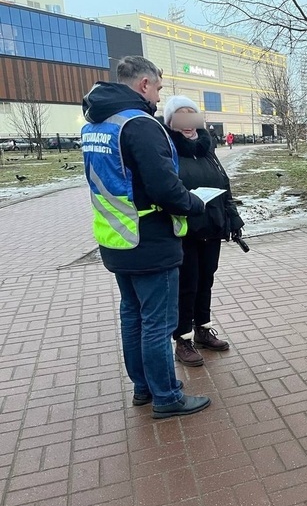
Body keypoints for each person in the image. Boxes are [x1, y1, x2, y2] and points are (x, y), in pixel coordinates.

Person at [81, 56, 211, 419]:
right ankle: (167, 396)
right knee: (157, 322)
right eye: (157, 87)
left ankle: (144, 387)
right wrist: (194, 203)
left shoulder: (96, 125)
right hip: (149, 239)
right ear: (143, 84)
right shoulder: (139, 125)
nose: (157, 95)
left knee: (132, 316)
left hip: (116, 238)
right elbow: (164, 188)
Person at [163, 96, 245, 367]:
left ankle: (201, 328)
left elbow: (225, 187)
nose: (188, 123)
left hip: (211, 227)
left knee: (205, 279)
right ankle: (182, 338)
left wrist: (233, 219)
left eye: (191, 115)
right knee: (187, 284)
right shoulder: (167, 150)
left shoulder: (207, 149)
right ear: (171, 122)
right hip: (184, 230)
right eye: (181, 116)